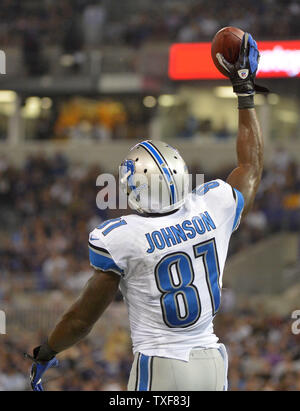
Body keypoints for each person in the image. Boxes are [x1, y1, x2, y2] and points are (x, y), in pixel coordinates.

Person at [27, 33, 264, 391]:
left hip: (162, 363)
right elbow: (251, 165)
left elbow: (81, 319)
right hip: (213, 363)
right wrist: (244, 91)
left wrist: (46, 351)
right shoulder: (212, 206)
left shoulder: (122, 237)